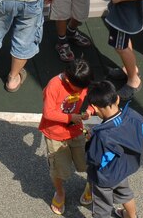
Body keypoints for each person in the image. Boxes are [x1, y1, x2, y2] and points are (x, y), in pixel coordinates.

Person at [39, 59, 95, 215]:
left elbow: (94, 97)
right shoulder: (54, 86)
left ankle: (90, 184)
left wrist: (90, 110)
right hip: (55, 135)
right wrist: (70, 118)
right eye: (79, 88)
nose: (82, 90)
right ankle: (60, 192)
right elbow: (48, 113)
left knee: (88, 162)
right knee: (59, 169)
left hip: (77, 131)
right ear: (68, 80)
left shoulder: (82, 81)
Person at [85, 80, 143, 218]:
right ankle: (131, 216)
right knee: (125, 194)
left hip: (105, 177)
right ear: (117, 99)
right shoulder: (135, 116)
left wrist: (90, 140)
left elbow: (93, 159)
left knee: (102, 209)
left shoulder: (102, 136)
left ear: (94, 107)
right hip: (125, 168)